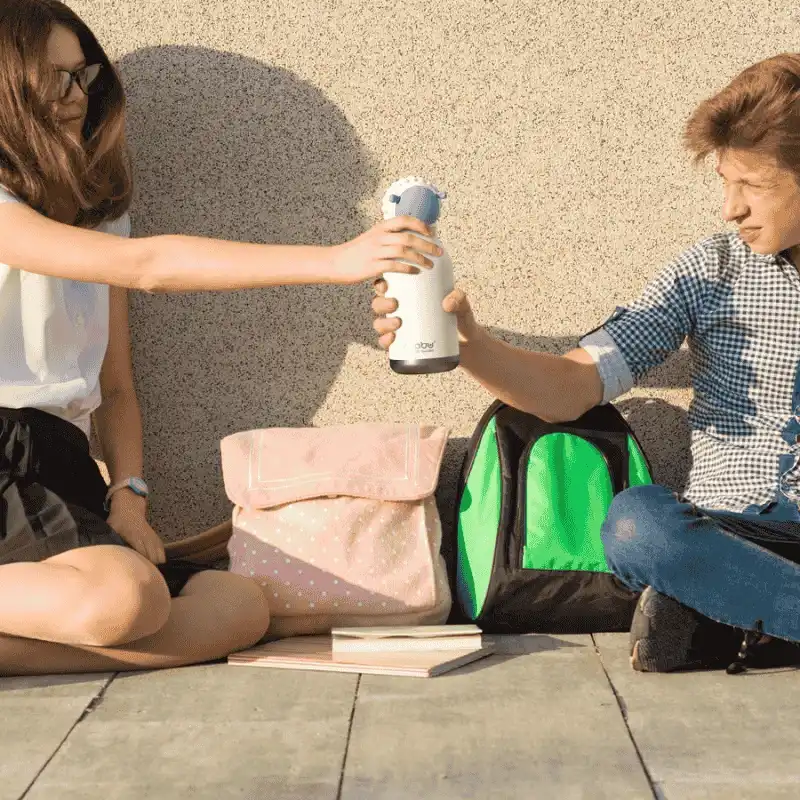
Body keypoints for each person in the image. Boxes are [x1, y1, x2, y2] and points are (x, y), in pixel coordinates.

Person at [0, 0, 440, 677]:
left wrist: (129, 496)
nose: (77, 96)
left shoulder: (99, 220)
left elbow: (116, 387)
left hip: (59, 466)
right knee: (126, 600)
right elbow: (150, 268)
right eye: (54, 79)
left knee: (239, 606)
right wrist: (336, 261)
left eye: (83, 75)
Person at [374, 53, 800, 673]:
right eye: (724, 183)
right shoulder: (709, 270)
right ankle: (744, 616)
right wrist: (468, 342)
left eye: (753, 186)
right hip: (722, 538)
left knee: (675, 592)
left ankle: (735, 623)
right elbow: (572, 387)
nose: (730, 209)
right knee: (635, 525)